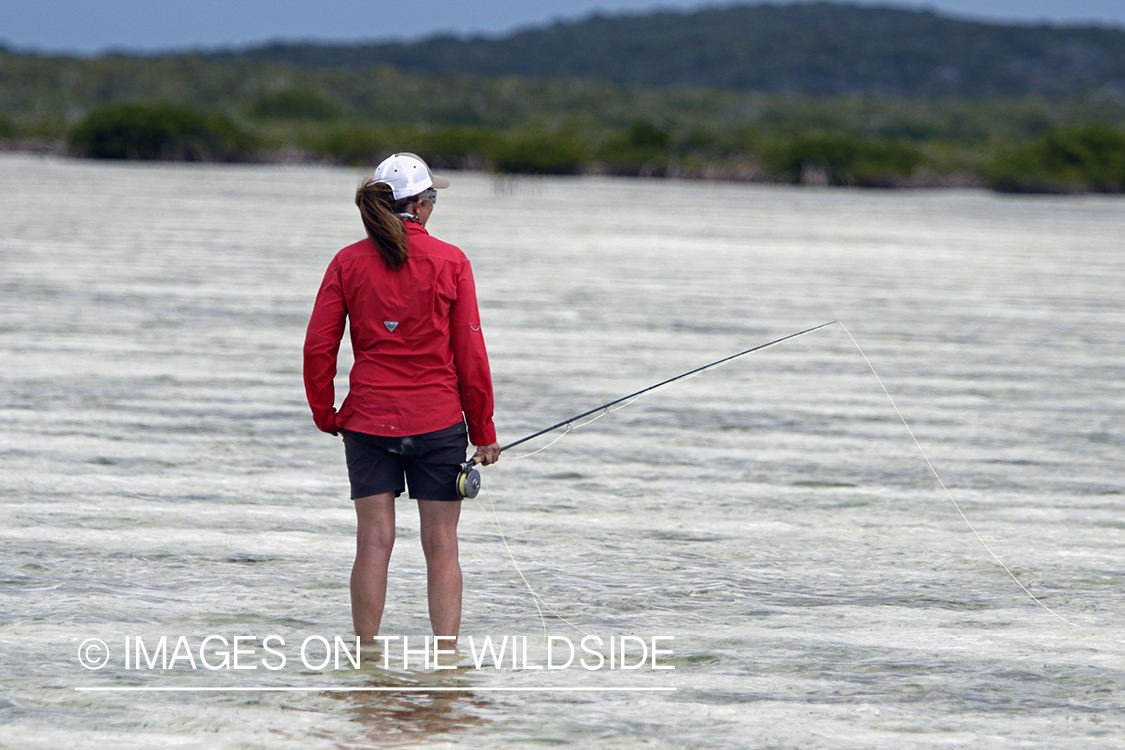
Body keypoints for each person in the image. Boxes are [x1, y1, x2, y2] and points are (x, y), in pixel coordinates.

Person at [303, 153, 500, 644]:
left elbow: (318, 345)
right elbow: (471, 353)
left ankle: (366, 662)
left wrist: (325, 413)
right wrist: (484, 433)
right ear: (425, 204)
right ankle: (446, 665)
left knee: (373, 541)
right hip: (437, 423)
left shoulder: (347, 261)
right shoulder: (452, 261)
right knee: (442, 545)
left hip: (367, 422)